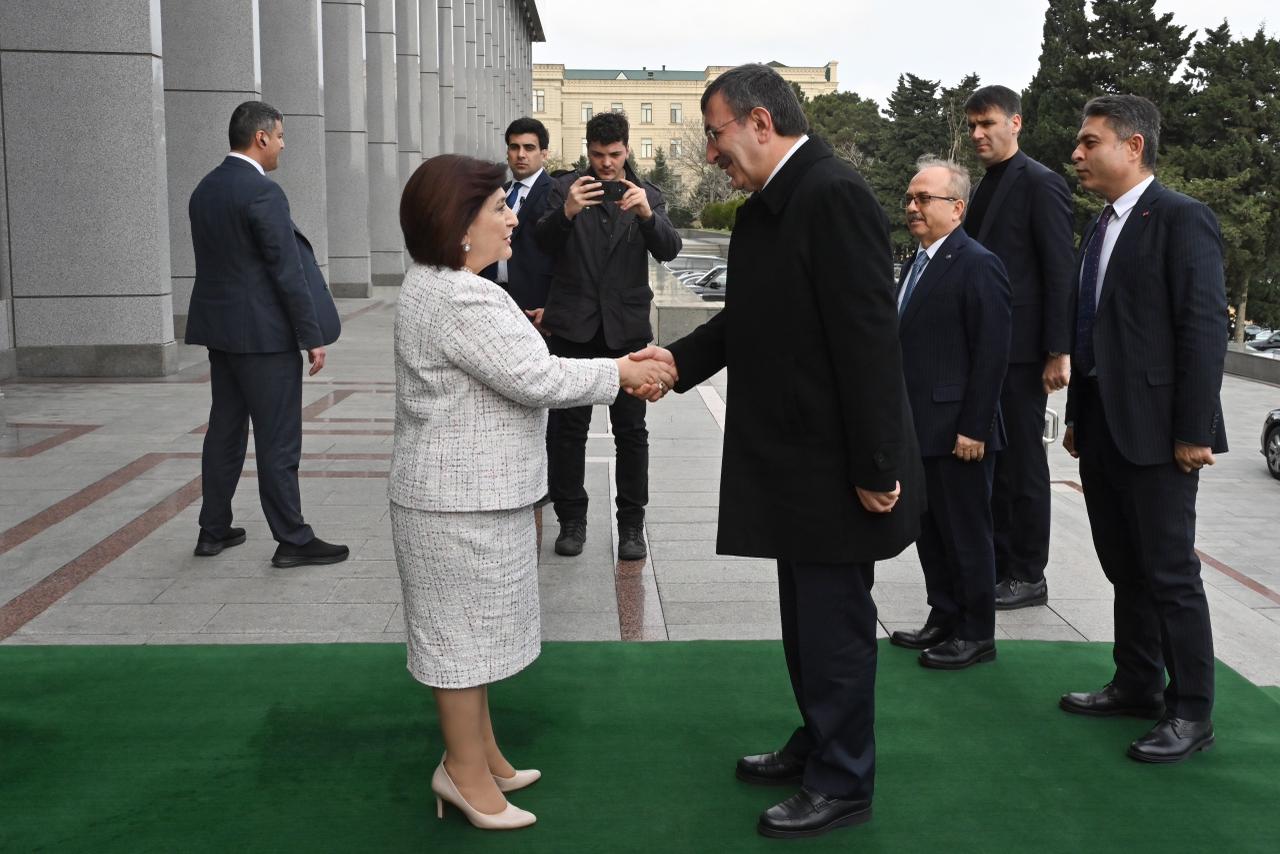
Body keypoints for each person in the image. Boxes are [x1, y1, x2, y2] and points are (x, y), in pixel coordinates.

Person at [632, 63, 924, 840]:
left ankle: (845, 779)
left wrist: (876, 466)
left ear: (761, 121)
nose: (711, 151)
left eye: (716, 133)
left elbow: (869, 339)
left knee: (833, 622)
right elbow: (746, 321)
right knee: (806, 618)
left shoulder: (832, 195)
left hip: (834, 463)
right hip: (793, 457)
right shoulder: (772, 205)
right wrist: (675, 363)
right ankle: (819, 738)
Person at [390, 154, 675, 830]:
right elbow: (535, 378)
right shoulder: (460, 295)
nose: (512, 217)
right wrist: (622, 374)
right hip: (457, 502)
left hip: (469, 498)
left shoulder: (447, 284)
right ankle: (462, 774)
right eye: (497, 209)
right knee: (461, 646)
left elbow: (521, 364)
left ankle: (480, 753)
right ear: (460, 226)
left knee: (474, 638)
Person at [1061, 94, 1227, 764]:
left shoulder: (1182, 218)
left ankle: (1192, 712)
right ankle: (1137, 682)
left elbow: (1203, 329)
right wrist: (1076, 415)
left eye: (1089, 141)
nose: (1076, 154)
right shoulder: (1101, 226)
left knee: (1169, 574)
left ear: (1133, 147)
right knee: (1124, 565)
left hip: (1161, 436)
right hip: (1102, 429)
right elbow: (1091, 329)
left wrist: (1194, 432)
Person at [185, 100, 348, 569]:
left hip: (223, 335)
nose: (281, 145)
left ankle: (213, 529)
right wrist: (310, 334)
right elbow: (287, 270)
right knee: (278, 440)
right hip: (265, 338)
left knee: (225, 432)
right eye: (279, 136)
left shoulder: (205, 189)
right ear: (260, 137)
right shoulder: (263, 192)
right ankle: (293, 539)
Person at [535, 111, 682, 561]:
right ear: (587, 150)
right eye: (597, 155)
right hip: (575, 330)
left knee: (632, 433)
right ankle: (572, 521)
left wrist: (644, 216)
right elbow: (539, 243)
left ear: (627, 149)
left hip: (627, 333)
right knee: (567, 432)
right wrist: (566, 214)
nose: (605, 165)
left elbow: (670, 249)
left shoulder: (648, 196)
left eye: (614, 155)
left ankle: (632, 526)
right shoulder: (564, 190)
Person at [888, 158, 1012, 670]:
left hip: (960, 432)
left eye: (924, 199)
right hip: (919, 429)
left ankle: (977, 631)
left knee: (966, 534)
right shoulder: (916, 262)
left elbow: (992, 353)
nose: (912, 207)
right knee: (931, 531)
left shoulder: (978, 263)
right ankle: (944, 615)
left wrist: (974, 427)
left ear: (957, 207)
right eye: (910, 198)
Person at [962, 85, 1076, 611]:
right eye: (971, 126)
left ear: (1016, 123)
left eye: (987, 123)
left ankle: (1029, 573)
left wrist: (1058, 350)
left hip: (1026, 352)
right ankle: (1001, 566)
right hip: (988, 347)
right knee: (995, 464)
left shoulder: (1042, 183)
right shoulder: (986, 185)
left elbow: (1060, 271)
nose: (978, 134)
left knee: (1023, 463)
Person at [481, 117, 555, 320]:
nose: (520, 155)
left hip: (535, 306)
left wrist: (555, 308)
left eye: (529, 148)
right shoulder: (497, 193)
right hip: (491, 299)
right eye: (514, 147)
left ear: (544, 153)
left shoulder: (557, 193)